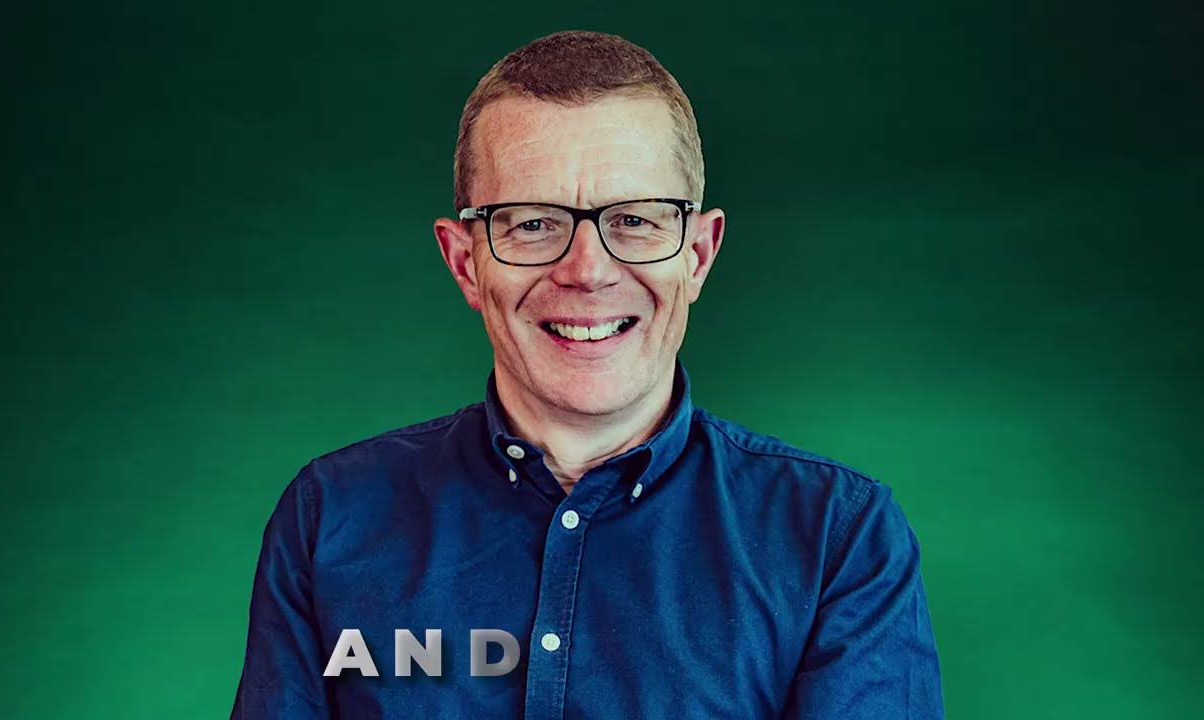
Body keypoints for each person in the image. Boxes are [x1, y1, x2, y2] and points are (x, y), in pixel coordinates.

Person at [231, 30, 944, 719]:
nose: (588, 270)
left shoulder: (838, 537)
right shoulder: (330, 516)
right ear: (465, 263)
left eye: (635, 219)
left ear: (697, 255)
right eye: (533, 223)